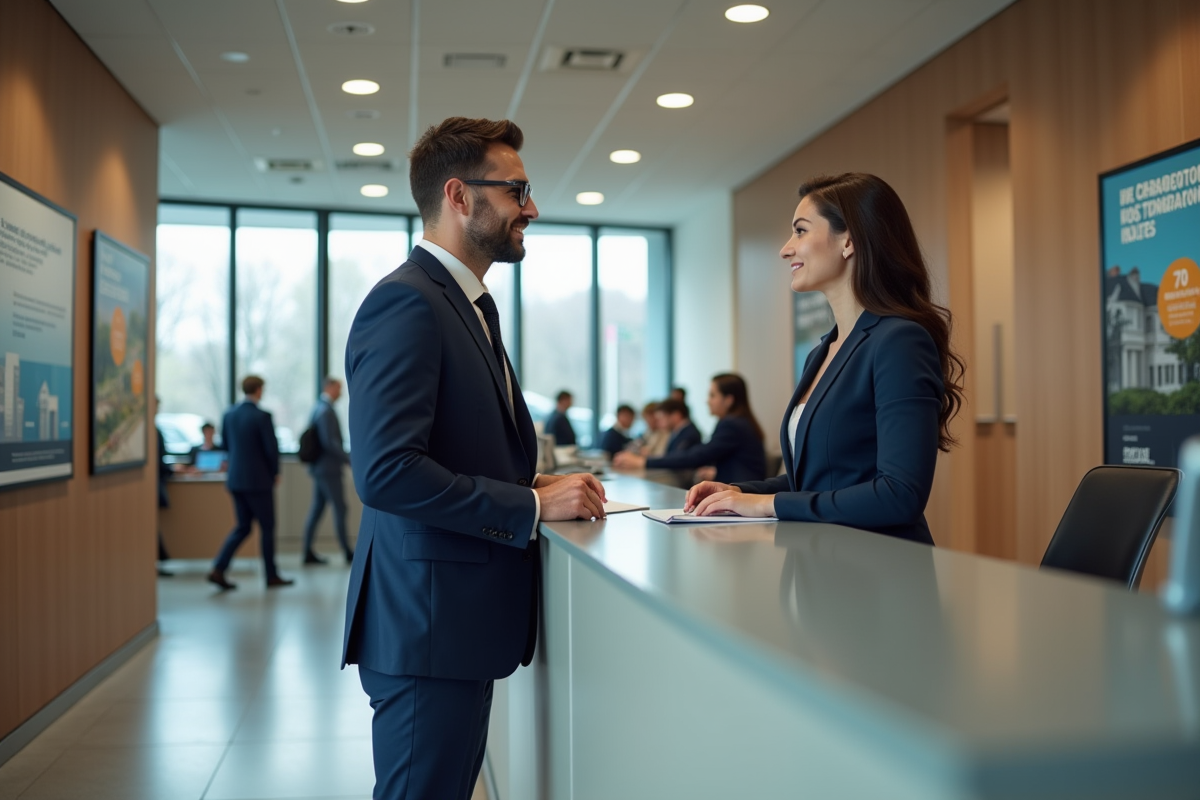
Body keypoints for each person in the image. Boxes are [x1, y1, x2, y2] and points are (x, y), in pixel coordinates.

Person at [342, 116, 607, 800]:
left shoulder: (462, 304)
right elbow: (387, 472)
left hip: (450, 626)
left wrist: (530, 479)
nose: (531, 209)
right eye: (517, 190)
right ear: (459, 196)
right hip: (427, 625)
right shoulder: (408, 302)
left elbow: (447, 445)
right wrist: (530, 504)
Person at [685, 173, 965, 545]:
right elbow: (820, 479)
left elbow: (900, 495)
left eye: (800, 231)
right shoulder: (821, 352)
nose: (785, 249)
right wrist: (738, 491)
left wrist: (767, 504)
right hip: (820, 557)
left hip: (881, 565)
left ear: (849, 241)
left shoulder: (899, 340)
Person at [206, 375, 293, 590]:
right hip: (259, 481)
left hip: (236, 480)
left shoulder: (229, 414)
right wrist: (275, 472)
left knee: (243, 527)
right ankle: (271, 575)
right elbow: (271, 449)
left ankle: (219, 568)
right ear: (259, 390)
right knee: (267, 528)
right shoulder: (262, 416)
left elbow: (225, 445)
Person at [614, 374, 766, 484]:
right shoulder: (738, 422)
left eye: (712, 395)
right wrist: (717, 471)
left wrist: (644, 462)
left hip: (741, 493)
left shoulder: (732, 424)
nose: (707, 401)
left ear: (728, 400)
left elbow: (696, 456)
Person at [301, 377, 354, 565]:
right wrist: (349, 459)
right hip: (328, 469)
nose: (341, 393)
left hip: (320, 468)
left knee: (317, 508)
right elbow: (330, 442)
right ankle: (347, 551)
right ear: (329, 387)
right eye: (339, 388)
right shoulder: (326, 411)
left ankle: (307, 551)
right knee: (340, 508)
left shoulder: (318, 407)